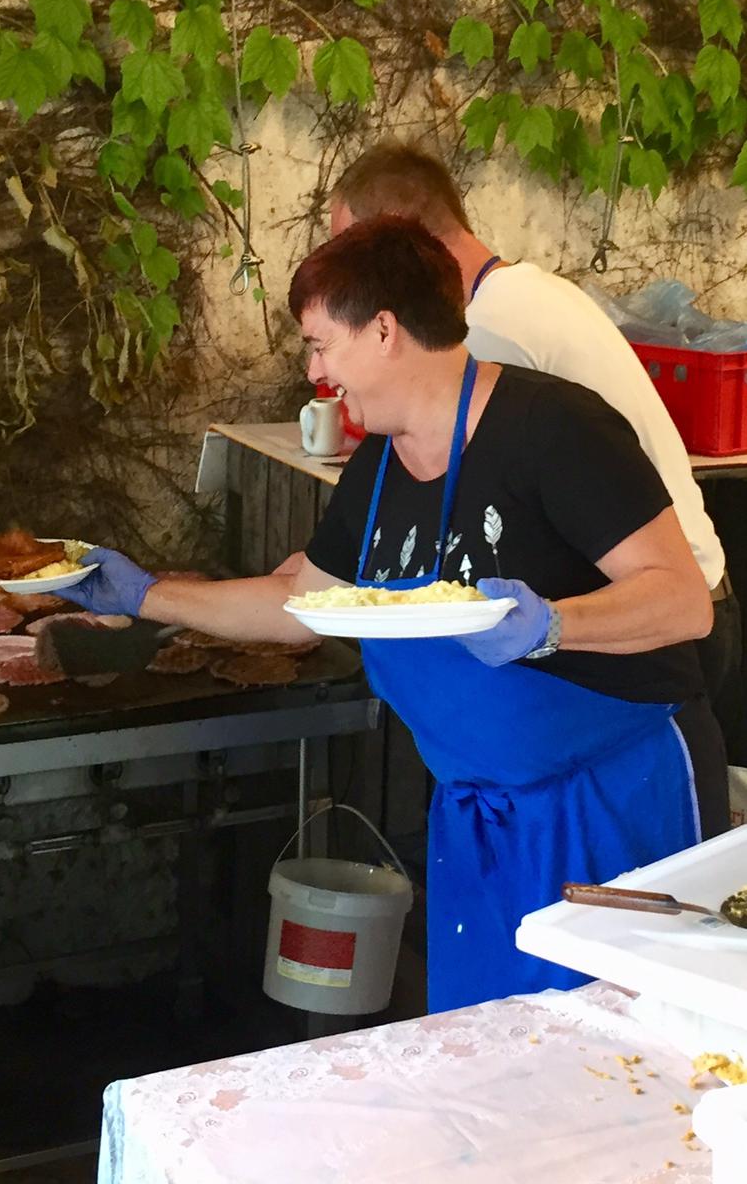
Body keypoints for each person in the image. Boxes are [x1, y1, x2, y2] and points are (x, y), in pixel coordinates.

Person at [59, 216, 728, 1012]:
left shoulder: (555, 430)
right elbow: (303, 607)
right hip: (480, 817)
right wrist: (144, 596)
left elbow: (683, 601)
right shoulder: (378, 465)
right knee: (489, 1048)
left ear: (383, 330)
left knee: (623, 1052)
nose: (314, 371)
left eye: (319, 345)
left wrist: (555, 625)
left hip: (612, 803)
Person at [329, 143, 744, 761]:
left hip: (656, 616)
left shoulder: (487, 334)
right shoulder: (524, 293)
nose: (338, 278)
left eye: (347, 252)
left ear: (399, 241)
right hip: (686, 590)